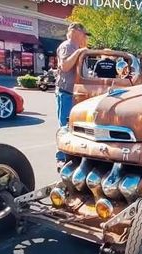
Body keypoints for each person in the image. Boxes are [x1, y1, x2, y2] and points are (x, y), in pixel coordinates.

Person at [55, 22, 91, 170]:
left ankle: (74, 157)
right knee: (64, 126)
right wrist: (79, 52)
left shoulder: (77, 49)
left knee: (77, 127)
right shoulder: (67, 46)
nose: (85, 37)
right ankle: (62, 158)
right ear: (76, 32)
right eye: (84, 34)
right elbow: (65, 66)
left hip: (77, 94)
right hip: (66, 93)